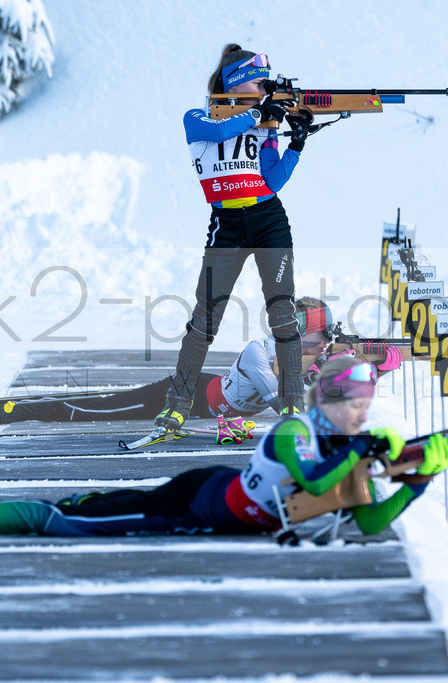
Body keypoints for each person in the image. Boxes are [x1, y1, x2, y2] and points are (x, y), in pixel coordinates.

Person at [0, 357, 448, 538]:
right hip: (196, 506)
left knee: (90, 507)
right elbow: (314, 483)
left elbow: (369, 521)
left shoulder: (343, 446)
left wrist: (418, 482)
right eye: (355, 404)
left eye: (367, 406)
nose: (363, 415)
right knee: (62, 521)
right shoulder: (296, 433)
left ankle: (82, 502)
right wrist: (364, 452)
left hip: (212, 492)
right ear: (327, 401)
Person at [0, 299, 403, 442]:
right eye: (316, 341)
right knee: (90, 409)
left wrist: (379, 363)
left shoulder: (298, 360)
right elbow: (287, 404)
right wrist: (332, 370)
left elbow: (341, 387)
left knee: (95, 406)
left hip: (206, 404)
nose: (320, 348)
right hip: (184, 394)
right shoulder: (256, 353)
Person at [154, 44, 316, 435]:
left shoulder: (265, 123)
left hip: (268, 221)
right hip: (226, 227)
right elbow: (219, 130)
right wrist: (259, 113)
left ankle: (292, 406)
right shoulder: (198, 117)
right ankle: (176, 407)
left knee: (283, 315)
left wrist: (296, 143)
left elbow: (271, 180)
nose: (264, 90)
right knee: (204, 320)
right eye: (260, 83)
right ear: (239, 80)